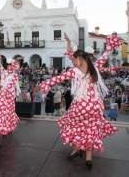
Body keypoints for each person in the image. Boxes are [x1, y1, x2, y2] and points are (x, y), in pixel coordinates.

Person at [40, 34, 120, 169]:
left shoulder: (74, 71)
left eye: (74, 59)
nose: (73, 60)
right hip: (95, 105)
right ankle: (88, 159)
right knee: (91, 130)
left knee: (69, 126)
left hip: (81, 106)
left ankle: (76, 149)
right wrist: (110, 45)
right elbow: (106, 54)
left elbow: (56, 79)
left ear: (79, 58)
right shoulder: (95, 66)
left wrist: (46, 84)